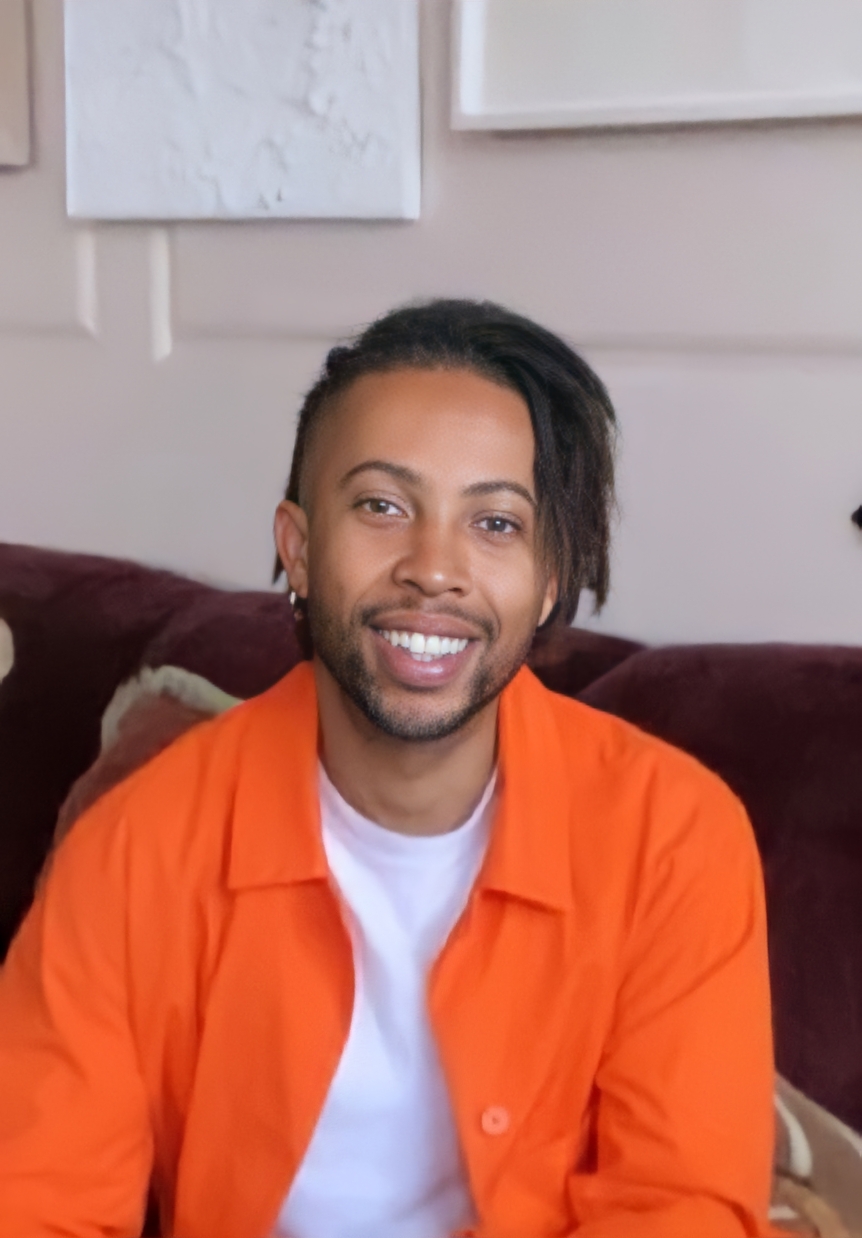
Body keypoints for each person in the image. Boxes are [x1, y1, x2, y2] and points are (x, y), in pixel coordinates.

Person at [0, 300, 780, 1238]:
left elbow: (678, 1209)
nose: (433, 568)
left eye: (495, 523)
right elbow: (37, 1201)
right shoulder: (136, 846)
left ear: (544, 581)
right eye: (382, 506)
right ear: (298, 547)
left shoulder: (674, 837)